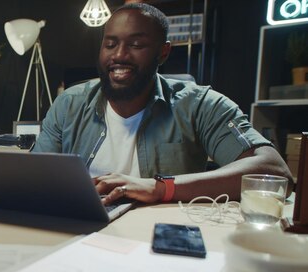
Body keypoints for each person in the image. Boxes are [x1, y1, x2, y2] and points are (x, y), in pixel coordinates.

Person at [32, 2, 293, 205]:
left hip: (155, 234)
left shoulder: (200, 104)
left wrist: (160, 188)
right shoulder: (69, 103)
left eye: (136, 45)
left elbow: (276, 173)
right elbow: (34, 176)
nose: (119, 55)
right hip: (80, 228)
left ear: (163, 52)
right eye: (110, 44)